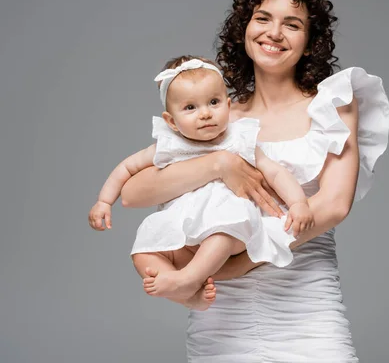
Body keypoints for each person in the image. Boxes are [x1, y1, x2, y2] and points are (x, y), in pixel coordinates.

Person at [120, 0, 389, 362]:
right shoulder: (217, 114)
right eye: (263, 18)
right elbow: (132, 193)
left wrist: (234, 265)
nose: (274, 33)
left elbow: (333, 206)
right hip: (221, 319)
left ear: (310, 41)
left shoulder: (334, 104)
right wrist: (219, 164)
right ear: (244, 28)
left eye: (292, 24)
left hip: (304, 306)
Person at [88, 55, 314, 311]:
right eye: (190, 108)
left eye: (214, 102)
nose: (205, 114)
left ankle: (188, 279)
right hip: (182, 233)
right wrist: (104, 201)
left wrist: (298, 203)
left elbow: (274, 173)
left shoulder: (239, 139)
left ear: (228, 106)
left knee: (223, 230)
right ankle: (187, 297)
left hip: (231, 230)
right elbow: (126, 168)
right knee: (143, 252)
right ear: (171, 121)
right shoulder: (169, 146)